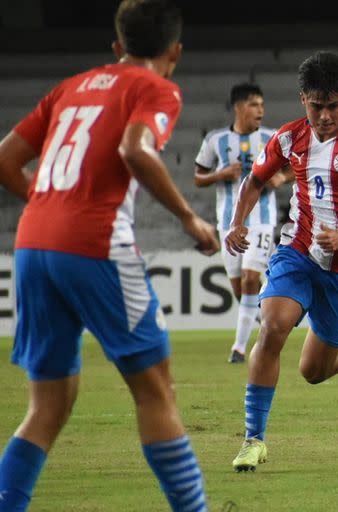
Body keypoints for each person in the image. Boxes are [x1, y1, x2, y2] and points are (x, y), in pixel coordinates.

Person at [0, 1, 217, 510]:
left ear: (117, 47)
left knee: (48, 405)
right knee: (155, 391)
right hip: (95, 245)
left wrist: (51, 207)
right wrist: (189, 216)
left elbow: (6, 159)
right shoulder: (157, 88)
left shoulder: (68, 88)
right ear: (175, 52)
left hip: (32, 245)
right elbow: (136, 150)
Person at [225, 51, 338, 472]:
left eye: (333, 106)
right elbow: (256, 180)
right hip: (298, 251)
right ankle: (253, 440)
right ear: (303, 98)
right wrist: (237, 221)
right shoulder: (288, 138)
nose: (324, 116)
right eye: (315, 105)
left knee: (313, 372)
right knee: (272, 328)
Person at [194, 83, 290, 364]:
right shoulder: (216, 140)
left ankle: (238, 348)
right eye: (253, 104)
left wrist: (282, 178)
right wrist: (220, 174)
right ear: (238, 107)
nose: (260, 110)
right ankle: (268, 327)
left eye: (261, 104)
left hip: (262, 219)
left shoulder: (273, 137)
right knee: (239, 287)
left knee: (250, 280)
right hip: (228, 221)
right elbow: (198, 176)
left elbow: (296, 166)